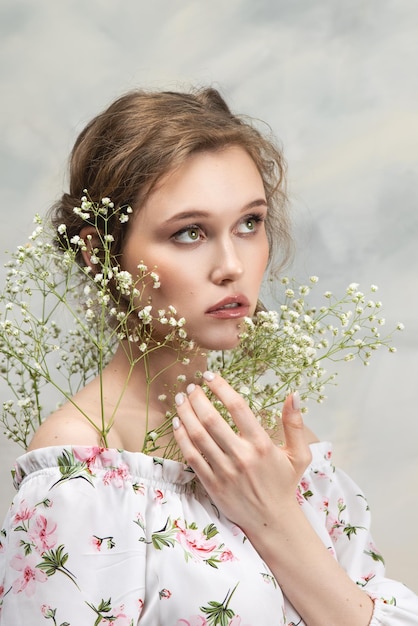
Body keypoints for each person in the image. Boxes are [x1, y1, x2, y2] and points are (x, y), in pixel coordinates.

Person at [0, 87, 417, 626]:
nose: (231, 265)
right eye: (190, 233)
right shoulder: (83, 467)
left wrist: (275, 517)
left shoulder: (281, 447)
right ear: (98, 252)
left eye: (250, 223)